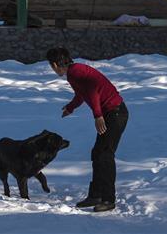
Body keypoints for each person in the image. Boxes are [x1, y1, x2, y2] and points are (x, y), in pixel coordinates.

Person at [47, 46, 128, 213]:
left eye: (51, 66)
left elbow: (92, 91)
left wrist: (98, 116)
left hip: (115, 112)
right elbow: (81, 94)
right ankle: (96, 195)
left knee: (105, 154)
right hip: (111, 113)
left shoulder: (76, 72)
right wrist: (71, 107)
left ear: (55, 64)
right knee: (97, 153)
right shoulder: (74, 72)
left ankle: (108, 199)